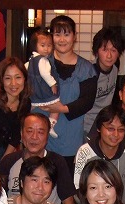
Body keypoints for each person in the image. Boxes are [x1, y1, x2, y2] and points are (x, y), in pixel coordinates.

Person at [36, 15, 97, 176]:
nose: (62, 39)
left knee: (67, 182)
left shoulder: (86, 68)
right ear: (52, 37)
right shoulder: (41, 64)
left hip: (71, 137)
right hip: (41, 136)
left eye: (67, 34)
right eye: (57, 34)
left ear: (74, 37)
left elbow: (87, 101)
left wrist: (61, 108)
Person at [0, 112, 75, 204]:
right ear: (21, 133)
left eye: (40, 132)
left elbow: (68, 201)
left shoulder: (58, 162)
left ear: (47, 136)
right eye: (29, 131)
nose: (34, 137)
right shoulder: (9, 161)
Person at [74, 105, 125, 204]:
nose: (116, 134)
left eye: (121, 130)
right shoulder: (85, 152)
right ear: (98, 128)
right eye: (110, 129)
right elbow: (78, 189)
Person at [83, 27, 125, 137]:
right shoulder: (89, 72)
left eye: (113, 50)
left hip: (104, 124)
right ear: (97, 51)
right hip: (85, 126)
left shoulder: (115, 68)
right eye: (105, 50)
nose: (109, 55)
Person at [26, 29, 61, 138]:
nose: (46, 49)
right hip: (43, 89)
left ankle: (25, 124)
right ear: (35, 45)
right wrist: (53, 84)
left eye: (49, 45)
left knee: (30, 108)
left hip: (33, 90)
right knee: (56, 105)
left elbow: (25, 69)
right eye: (43, 45)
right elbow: (45, 74)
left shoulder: (31, 59)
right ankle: (51, 124)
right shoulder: (43, 60)